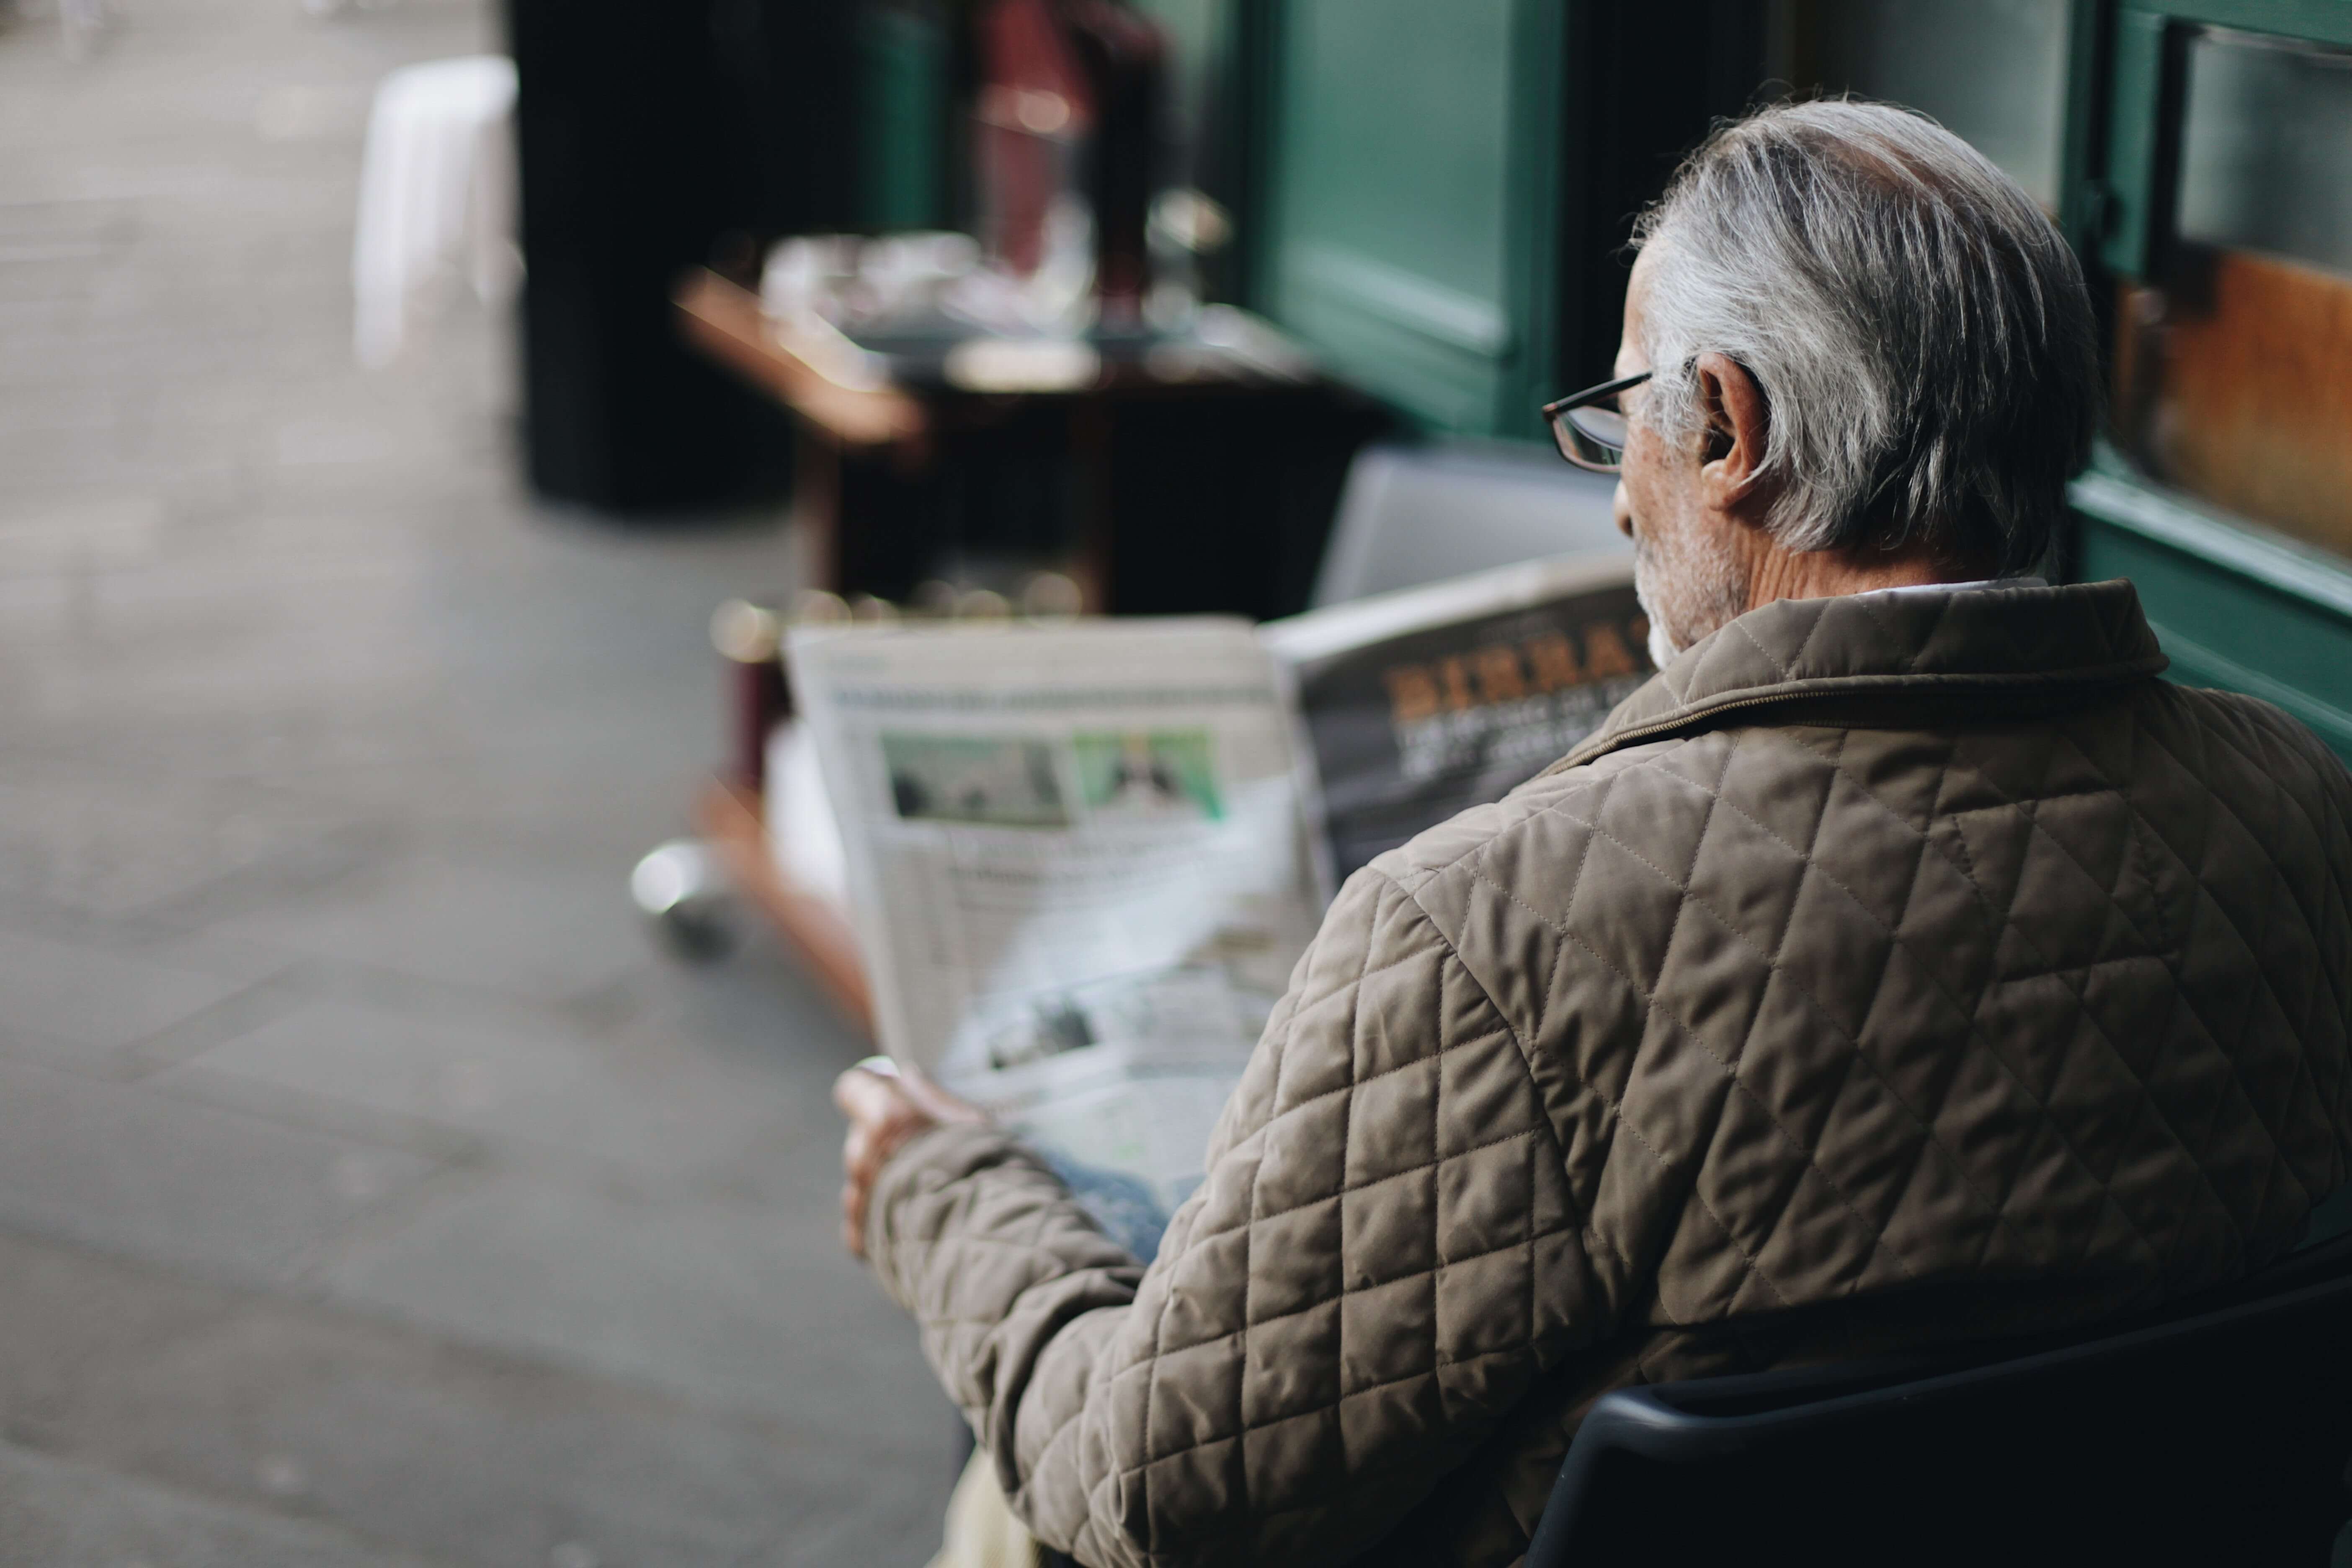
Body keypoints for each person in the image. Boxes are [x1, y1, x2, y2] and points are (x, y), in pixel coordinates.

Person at [831, 100, 2352, 1568]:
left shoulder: (1494, 931)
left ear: (1729, 425)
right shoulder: (2298, 804)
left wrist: (939, 1192)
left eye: (1626, 409)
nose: (1621, 503)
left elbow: (1158, 1500)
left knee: (1022, 1482)